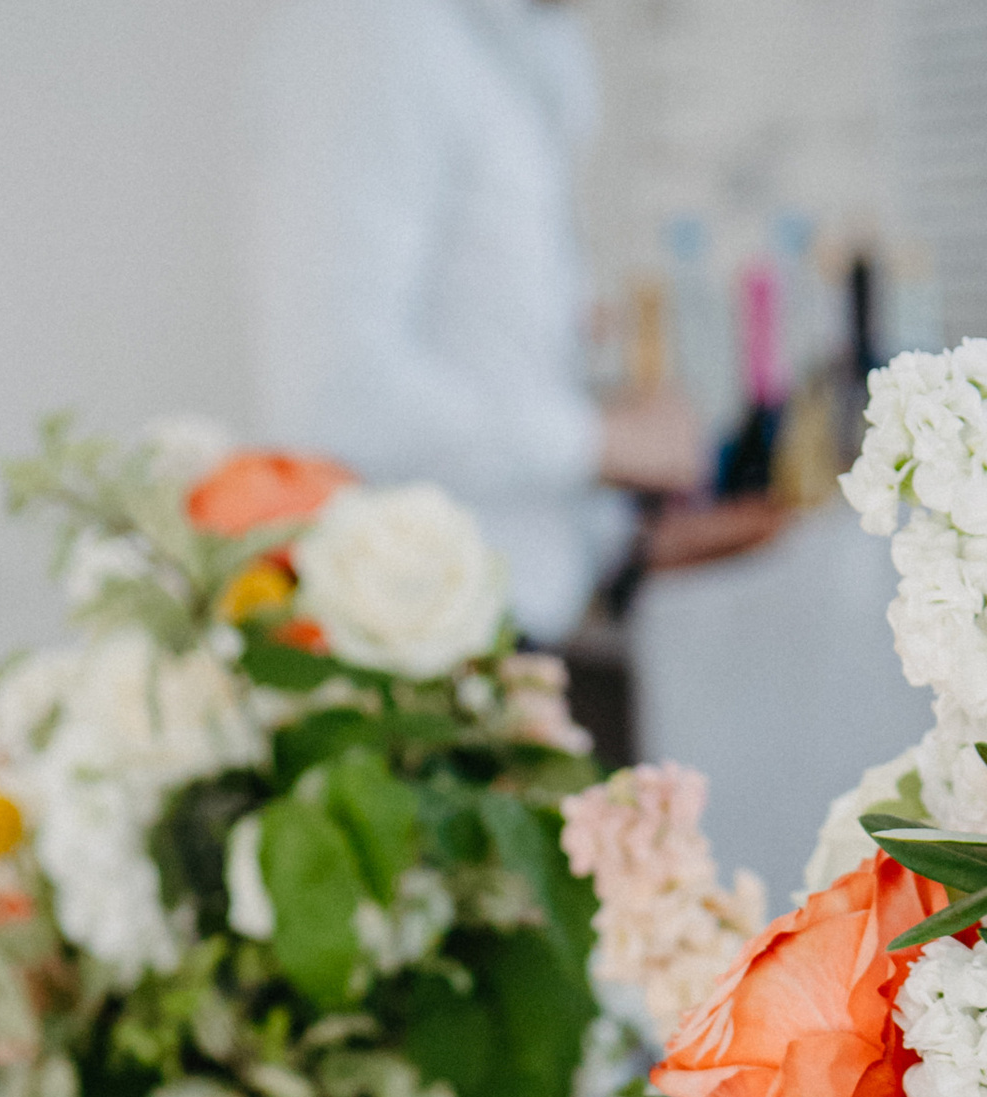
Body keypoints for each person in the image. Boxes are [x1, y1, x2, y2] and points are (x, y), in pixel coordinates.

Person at [241, 0, 702, 647]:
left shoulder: (529, 43)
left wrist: (616, 530)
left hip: (525, 625)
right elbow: (337, 395)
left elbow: (484, 342)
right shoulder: (373, 32)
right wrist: (598, 444)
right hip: (425, 660)